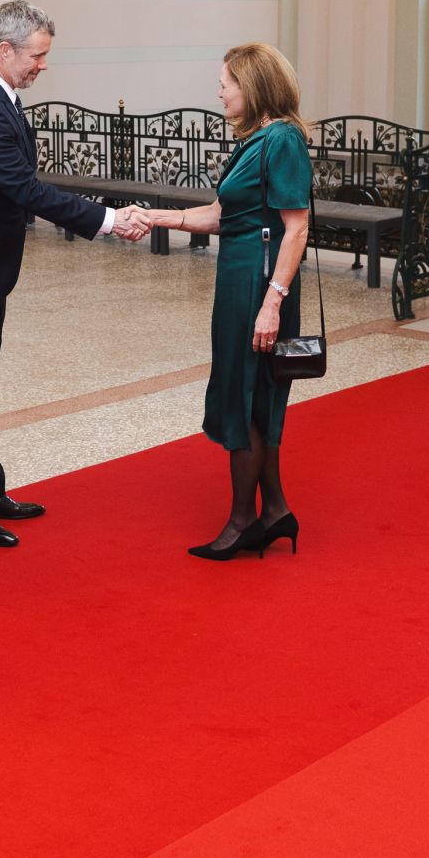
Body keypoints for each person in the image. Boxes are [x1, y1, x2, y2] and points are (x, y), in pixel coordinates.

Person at [0, 1, 148, 548]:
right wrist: (107, 219)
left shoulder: (0, 98)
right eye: (37, 55)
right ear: (5, 50)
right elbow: (25, 190)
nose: (42, 65)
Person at [143, 44, 311, 561]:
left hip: (260, 282)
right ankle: (276, 509)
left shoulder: (281, 139)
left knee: (247, 393)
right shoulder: (257, 140)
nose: (219, 91)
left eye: (226, 82)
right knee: (251, 393)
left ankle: (243, 521)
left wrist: (272, 302)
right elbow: (220, 213)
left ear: (253, 85)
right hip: (239, 276)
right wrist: (155, 218)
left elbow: (296, 226)